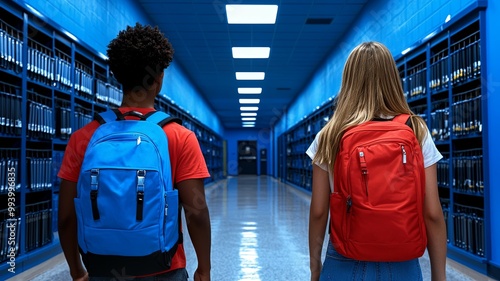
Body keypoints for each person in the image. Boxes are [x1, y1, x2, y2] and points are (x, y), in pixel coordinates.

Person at [57, 23, 211, 281]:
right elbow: (196, 211)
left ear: (118, 76)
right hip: (164, 268)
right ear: (159, 78)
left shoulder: (83, 138)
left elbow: (65, 218)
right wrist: (204, 269)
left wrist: (76, 270)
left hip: (102, 268)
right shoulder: (180, 137)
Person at [306, 41, 447, 281]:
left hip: (344, 258)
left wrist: (315, 267)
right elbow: (432, 212)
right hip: (403, 259)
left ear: (348, 81)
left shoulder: (330, 134)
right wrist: (439, 275)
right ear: (392, 78)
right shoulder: (416, 130)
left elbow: (320, 212)